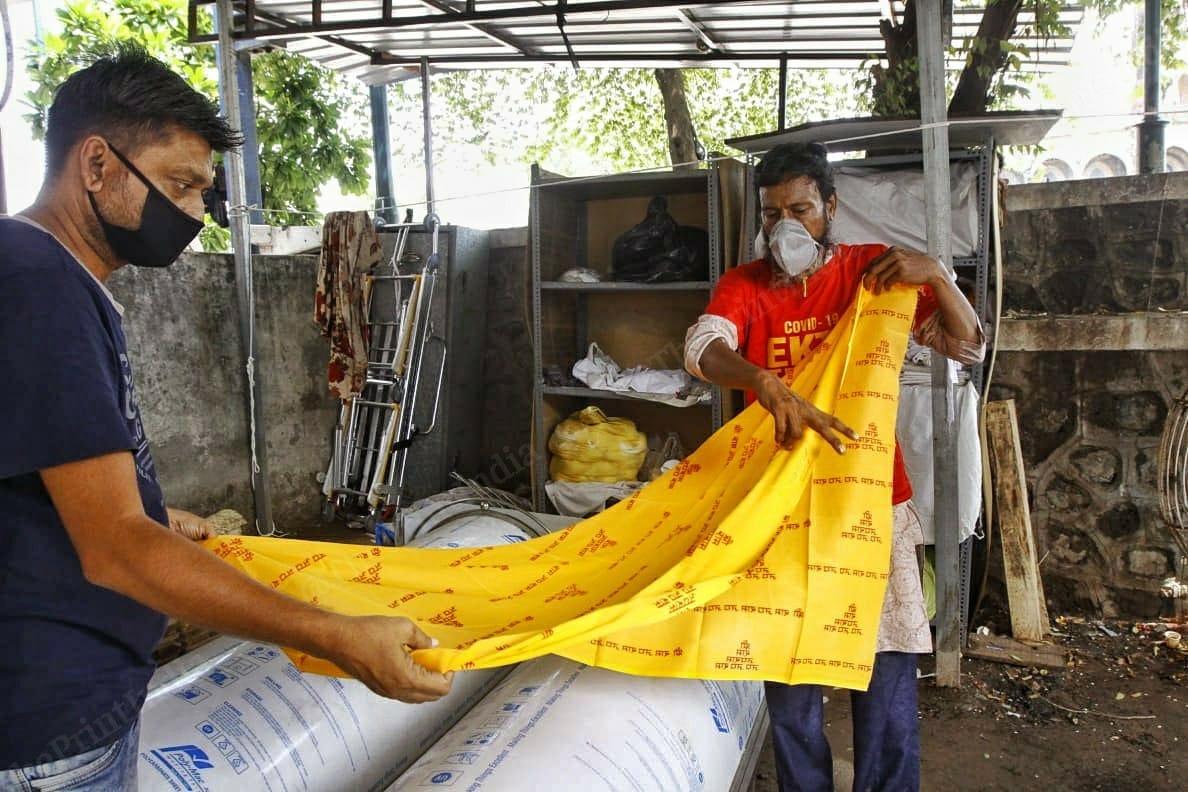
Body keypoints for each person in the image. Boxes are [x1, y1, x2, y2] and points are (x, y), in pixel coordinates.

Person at [0, 47, 451, 789]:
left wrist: (150, 514)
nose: (194, 214)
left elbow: (53, 485)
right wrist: (334, 635)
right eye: (180, 184)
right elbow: (115, 549)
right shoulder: (40, 287)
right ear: (96, 164)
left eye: (203, 193)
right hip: (47, 731)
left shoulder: (43, 275)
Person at [684, 141, 985, 791]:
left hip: (869, 502)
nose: (785, 227)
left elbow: (966, 346)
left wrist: (938, 275)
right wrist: (761, 380)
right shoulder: (745, 285)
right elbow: (702, 347)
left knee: (886, 671)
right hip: (781, 507)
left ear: (830, 207)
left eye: (800, 210)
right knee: (789, 675)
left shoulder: (871, 273)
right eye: (771, 215)